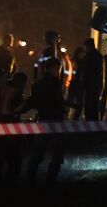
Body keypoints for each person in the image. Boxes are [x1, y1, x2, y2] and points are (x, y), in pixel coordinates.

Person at [18, 57, 66, 186]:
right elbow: (59, 100)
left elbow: (33, 100)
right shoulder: (55, 82)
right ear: (55, 68)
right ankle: (51, 180)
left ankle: (30, 179)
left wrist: (19, 110)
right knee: (58, 153)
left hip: (43, 119)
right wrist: (64, 108)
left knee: (38, 152)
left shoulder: (37, 82)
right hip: (55, 119)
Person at [78, 38, 104, 121]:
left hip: (91, 86)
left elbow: (88, 71)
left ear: (88, 47)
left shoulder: (91, 57)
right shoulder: (96, 56)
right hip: (94, 86)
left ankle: (91, 125)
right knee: (92, 107)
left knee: (90, 107)